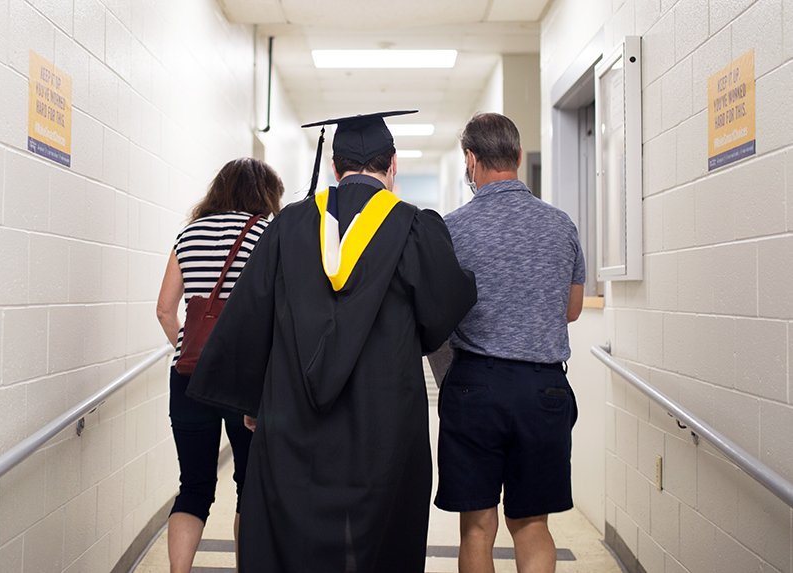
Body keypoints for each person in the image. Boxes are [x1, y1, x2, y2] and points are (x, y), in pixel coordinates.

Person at [186, 110, 477, 572]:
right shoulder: (414, 227)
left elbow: (249, 317)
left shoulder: (287, 227)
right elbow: (445, 309)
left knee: (291, 527)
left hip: (293, 414)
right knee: (382, 530)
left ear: (333, 169)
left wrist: (251, 402)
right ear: (393, 166)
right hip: (386, 419)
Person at [434, 113, 585, 573]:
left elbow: (438, 315)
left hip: (474, 387)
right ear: (518, 157)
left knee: (478, 528)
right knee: (533, 525)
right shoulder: (561, 225)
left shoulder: (451, 228)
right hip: (543, 391)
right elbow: (572, 308)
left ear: (470, 160)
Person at [155, 157, 284, 573]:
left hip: (189, 378)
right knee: (250, 488)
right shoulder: (267, 233)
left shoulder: (188, 234)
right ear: (265, 194)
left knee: (192, 488)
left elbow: (164, 310)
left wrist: (192, 351)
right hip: (246, 382)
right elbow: (279, 313)